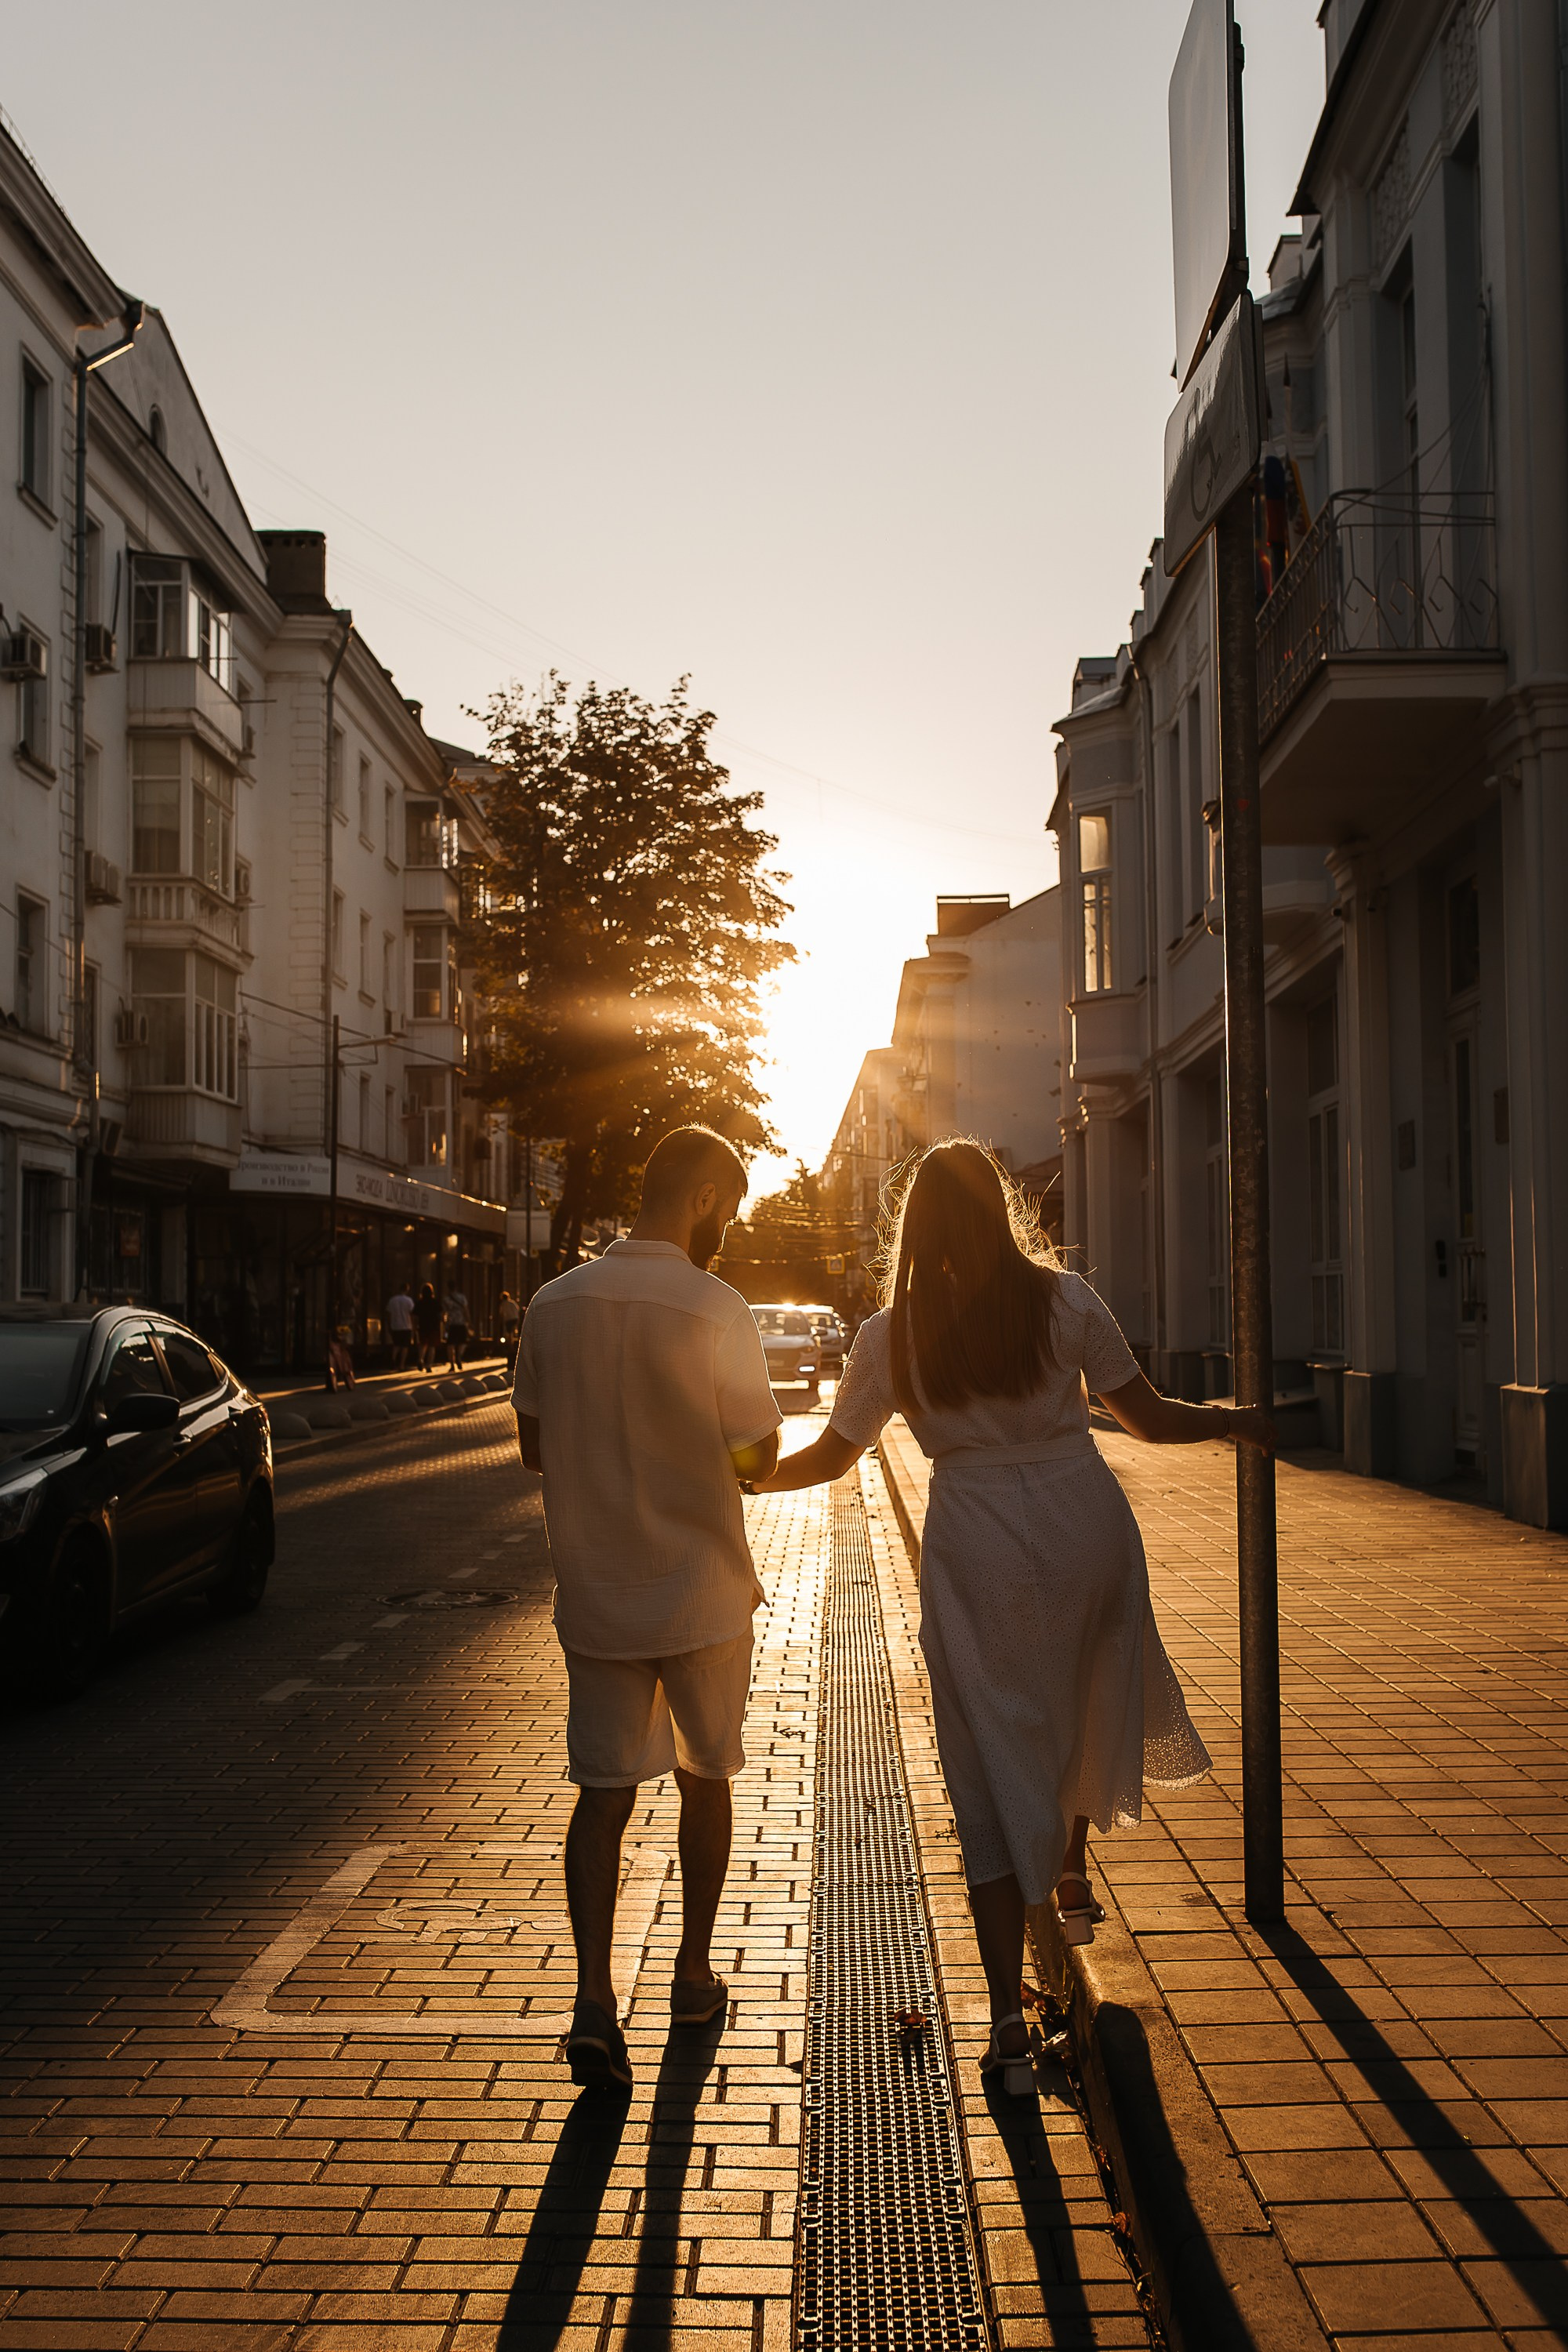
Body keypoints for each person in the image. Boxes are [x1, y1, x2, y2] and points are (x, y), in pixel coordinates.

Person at [752, 1139, 1273, 2099]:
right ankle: (1069, 1868)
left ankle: (1002, 2025)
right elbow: (1148, 1418)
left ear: (915, 1224)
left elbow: (829, 1456)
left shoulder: (889, 1335)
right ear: (998, 1213)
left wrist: (743, 1473)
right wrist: (1233, 1419)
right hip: (1084, 1526)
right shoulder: (1065, 1301)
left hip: (974, 1545)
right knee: (1076, 1702)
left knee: (991, 1758)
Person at [514, 1126, 781, 2091]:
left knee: (602, 1794)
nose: (728, 1234)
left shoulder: (551, 1305)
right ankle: (692, 1974)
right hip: (701, 1596)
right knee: (705, 1778)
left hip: (597, 1595)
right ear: (705, 1196)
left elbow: (534, 1451)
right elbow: (755, 1463)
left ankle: (592, 1999)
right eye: (732, 1211)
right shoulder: (715, 1307)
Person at [386, 1284, 415, 1372]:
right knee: (405, 1346)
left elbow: (389, 1314)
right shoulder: (409, 1300)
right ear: (407, 1290)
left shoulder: (392, 1300)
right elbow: (412, 1313)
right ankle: (402, 1364)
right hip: (406, 1325)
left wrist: (389, 1325)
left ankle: (393, 1360)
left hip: (395, 1326)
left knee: (396, 1344)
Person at [414, 1282, 441, 1373]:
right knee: (432, 1347)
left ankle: (420, 1359)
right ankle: (429, 1365)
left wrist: (415, 1326)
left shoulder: (419, 1303)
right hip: (434, 1327)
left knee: (423, 1345)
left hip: (422, 1326)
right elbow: (440, 1315)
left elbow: (415, 1316)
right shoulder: (435, 1302)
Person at [444, 1281, 470, 1371]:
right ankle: (459, 1355)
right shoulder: (462, 1297)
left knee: (450, 1344)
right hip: (461, 1322)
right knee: (463, 1342)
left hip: (451, 1324)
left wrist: (445, 1324)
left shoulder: (446, 1299)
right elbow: (466, 1310)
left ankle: (452, 1364)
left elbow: (444, 1313)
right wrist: (468, 1321)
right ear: (456, 1287)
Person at [499, 1289, 521, 1370]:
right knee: (512, 1331)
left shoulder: (503, 1304)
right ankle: (512, 1341)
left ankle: (510, 1344)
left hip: (508, 1320)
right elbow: (517, 1310)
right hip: (515, 1318)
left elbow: (501, 1314)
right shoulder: (512, 1302)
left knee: (509, 1332)